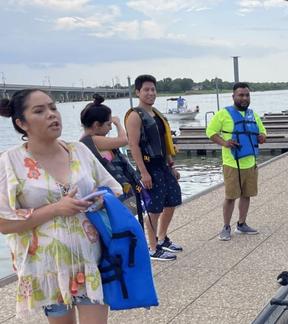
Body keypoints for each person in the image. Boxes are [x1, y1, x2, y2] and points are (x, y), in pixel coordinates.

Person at [0, 89, 123, 321]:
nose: (51, 114)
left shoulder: (79, 150)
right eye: (39, 111)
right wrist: (56, 208)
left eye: (53, 107)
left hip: (90, 261)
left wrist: (100, 199)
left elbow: (113, 189)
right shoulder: (10, 161)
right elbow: (4, 222)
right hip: (47, 270)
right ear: (21, 123)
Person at [125, 75, 182, 261]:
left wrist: (171, 165)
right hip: (149, 165)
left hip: (163, 164)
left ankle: (162, 237)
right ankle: (152, 247)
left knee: (172, 201)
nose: (150, 93)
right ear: (138, 92)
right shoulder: (135, 115)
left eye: (153, 90)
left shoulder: (156, 114)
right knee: (154, 208)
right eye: (146, 90)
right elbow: (134, 145)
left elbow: (164, 143)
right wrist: (143, 172)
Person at [205, 82, 267, 241]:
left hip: (250, 162)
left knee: (247, 195)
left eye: (247, 95)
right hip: (232, 163)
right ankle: (226, 227)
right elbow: (210, 132)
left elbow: (262, 132)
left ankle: (242, 224)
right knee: (231, 196)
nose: (244, 98)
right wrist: (225, 143)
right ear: (233, 96)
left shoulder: (253, 114)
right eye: (241, 95)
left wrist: (262, 137)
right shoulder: (223, 114)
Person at [80, 94, 147, 224]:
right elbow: (124, 140)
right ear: (96, 125)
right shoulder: (94, 140)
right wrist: (118, 123)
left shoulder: (87, 140)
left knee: (129, 222)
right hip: (112, 194)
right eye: (108, 124)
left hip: (115, 193)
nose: (110, 128)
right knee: (126, 224)